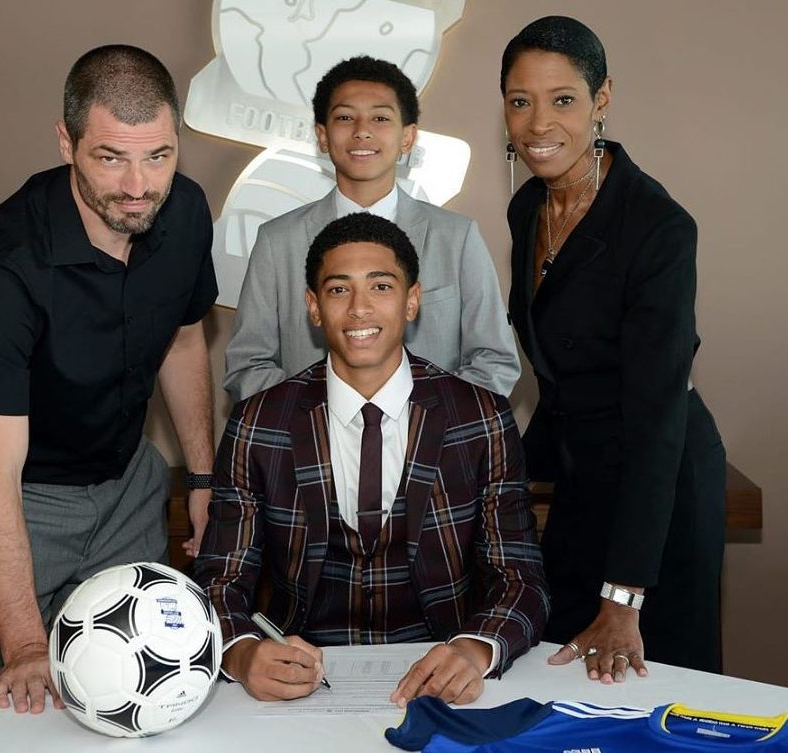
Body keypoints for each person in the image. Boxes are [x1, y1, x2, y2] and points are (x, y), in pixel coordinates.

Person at [0, 45, 217, 711]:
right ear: (67, 142)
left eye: (159, 155)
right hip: (13, 501)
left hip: (125, 491)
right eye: (111, 157)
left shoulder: (186, 211)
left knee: (131, 708)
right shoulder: (1, 267)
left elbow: (181, 336)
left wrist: (201, 478)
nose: (139, 185)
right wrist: (27, 642)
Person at [195, 213, 548, 705]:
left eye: (381, 286)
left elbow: (521, 576)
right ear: (314, 308)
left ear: (413, 300)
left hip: (444, 675)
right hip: (300, 681)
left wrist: (476, 646)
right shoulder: (259, 423)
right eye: (339, 291)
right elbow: (220, 578)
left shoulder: (480, 417)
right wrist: (240, 652)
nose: (360, 308)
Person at [500, 16, 726, 679]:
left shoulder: (657, 227)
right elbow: (558, 372)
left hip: (660, 491)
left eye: (562, 99)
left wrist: (626, 592)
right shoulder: (526, 210)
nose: (538, 124)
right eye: (519, 101)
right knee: (559, 668)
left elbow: (657, 419)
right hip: (581, 477)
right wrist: (499, 474)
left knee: (656, 681)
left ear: (601, 99)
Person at [223, 55, 520, 404]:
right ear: (321, 135)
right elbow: (248, 364)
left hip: (431, 449)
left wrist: (426, 422)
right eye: (345, 117)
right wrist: (324, 420)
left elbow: (494, 360)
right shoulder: (278, 241)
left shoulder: (457, 237)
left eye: (380, 118)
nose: (362, 131)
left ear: (408, 137)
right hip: (311, 449)